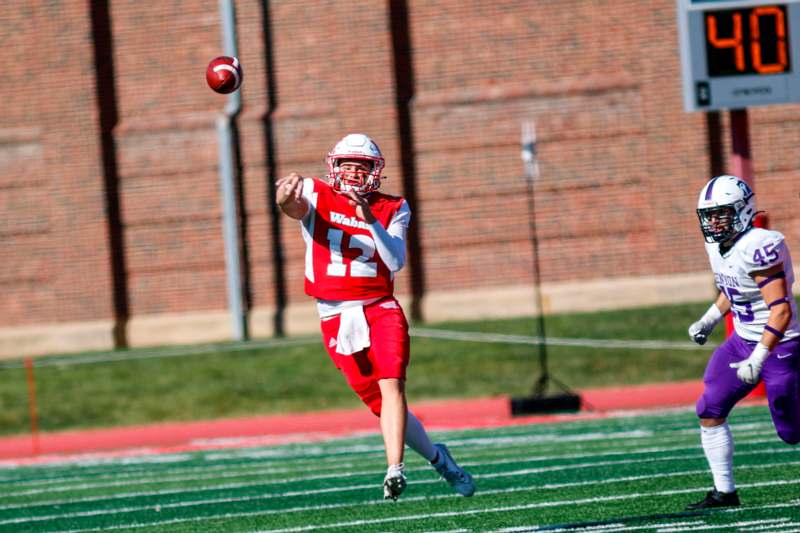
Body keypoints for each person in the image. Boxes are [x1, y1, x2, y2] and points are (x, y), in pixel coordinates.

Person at [275, 133, 475, 501]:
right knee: (381, 405)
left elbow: (395, 259)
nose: (353, 172)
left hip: (379, 306)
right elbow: (294, 207)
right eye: (347, 165)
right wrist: (284, 198)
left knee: (392, 384)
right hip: (334, 313)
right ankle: (438, 459)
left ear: (374, 172)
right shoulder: (317, 192)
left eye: (361, 166)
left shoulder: (393, 206)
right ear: (334, 166)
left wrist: (368, 219)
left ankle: (394, 468)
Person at [686, 175, 800, 510]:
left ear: (743, 209)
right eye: (708, 216)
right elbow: (733, 290)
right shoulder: (719, 246)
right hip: (742, 342)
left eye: (721, 214)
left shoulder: (759, 245)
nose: (713, 222)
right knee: (710, 408)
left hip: (781, 346)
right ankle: (725, 493)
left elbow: (779, 311)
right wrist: (709, 319)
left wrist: (759, 356)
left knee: (791, 431)